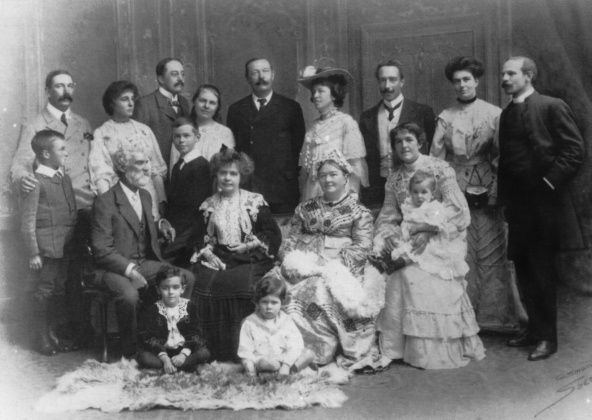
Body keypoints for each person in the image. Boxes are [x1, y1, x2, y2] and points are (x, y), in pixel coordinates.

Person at [374, 123, 485, 370]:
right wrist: (390, 233)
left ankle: (431, 350)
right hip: (412, 237)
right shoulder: (394, 178)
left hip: (443, 238)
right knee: (399, 274)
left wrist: (428, 229)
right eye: (398, 141)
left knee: (415, 274)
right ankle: (397, 349)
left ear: (421, 142)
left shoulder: (440, 169)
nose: (404, 145)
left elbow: (459, 210)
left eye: (409, 140)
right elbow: (388, 213)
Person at [498, 57, 585, 361]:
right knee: (523, 269)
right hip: (519, 207)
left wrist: (548, 183)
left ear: (529, 75)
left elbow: (574, 152)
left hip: (545, 204)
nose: (505, 79)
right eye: (503, 74)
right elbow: (507, 164)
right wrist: (506, 201)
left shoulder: (552, 106)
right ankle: (533, 330)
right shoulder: (507, 114)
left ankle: (548, 338)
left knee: (543, 271)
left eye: (511, 73)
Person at [430, 56, 519, 331]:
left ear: (476, 81)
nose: (462, 85)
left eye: (466, 79)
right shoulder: (445, 116)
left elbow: (503, 155)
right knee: (460, 250)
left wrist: (495, 190)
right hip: (454, 186)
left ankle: (495, 318)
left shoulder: (495, 113)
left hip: (488, 184)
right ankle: (460, 317)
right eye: (456, 81)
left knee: (492, 250)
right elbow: (436, 157)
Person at [277, 150, 384, 371]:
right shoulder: (305, 208)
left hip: (338, 268)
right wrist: (289, 261)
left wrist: (328, 266)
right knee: (274, 286)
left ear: (346, 177)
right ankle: (283, 350)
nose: (327, 179)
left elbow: (362, 247)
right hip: (301, 263)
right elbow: (291, 240)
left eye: (333, 174)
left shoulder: (359, 212)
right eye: (323, 175)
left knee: (315, 289)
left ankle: (318, 351)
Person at [11, 69, 94, 349]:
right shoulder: (35, 124)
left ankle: (71, 333)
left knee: (72, 277)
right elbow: (20, 164)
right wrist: (25, 180)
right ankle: (47, 334)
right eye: (59, 86)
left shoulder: (82, 123)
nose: (65, 91)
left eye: (70, 85)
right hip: (48, 212)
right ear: (48, 91)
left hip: (81, 209)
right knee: (50, 281)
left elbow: (94, 163)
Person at [90, 143, 194, 359]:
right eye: (140, 163)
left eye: (147, 161)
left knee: (186, 277)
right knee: (129, 295)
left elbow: (138, 227)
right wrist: (130, 271)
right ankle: (131, 352)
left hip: (144, 262)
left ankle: (172, 338)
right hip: (112, 268)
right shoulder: (105, 202)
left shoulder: (145, 195)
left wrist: (161, 226)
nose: (147, 167)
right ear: (123, 168)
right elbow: (101, 249)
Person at [190, 148, 281, 361]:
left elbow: (272, 233)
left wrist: (248, 246)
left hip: (250, 255)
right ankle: (211, 351)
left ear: (242, 176)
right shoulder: (208, 205)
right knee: (201, 284)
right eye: (223, 173)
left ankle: (243, 351)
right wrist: (207, 254)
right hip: (219, 257)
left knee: (242, 285)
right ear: (216, 176)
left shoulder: (255, 201)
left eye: (233, 174)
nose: (227, 178)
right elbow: (198, 236)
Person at [20, 130, 78, 355]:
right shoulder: (35, 182)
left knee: (58, 289)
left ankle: (54, 334)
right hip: (46, 248)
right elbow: (28, 220)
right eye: (61, 149)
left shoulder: (64, 178)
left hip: (64, 246)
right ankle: (41, 336)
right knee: (44, 290)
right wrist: (34, 252)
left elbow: (71, 211)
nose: (66, 152)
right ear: (45, 153)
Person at [227, 57, 306, 214]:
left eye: (265, 71)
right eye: (255, 73)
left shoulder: (291, 108)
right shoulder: (236, 110)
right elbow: (234, 150)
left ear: (273, 75)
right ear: (247, 78)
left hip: (282, 188)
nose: (261, 76)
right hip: (249, 187)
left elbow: (298, 147)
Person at [359, 59, 436, 206]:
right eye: (382, 80)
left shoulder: (423, 112)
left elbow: (433, 151)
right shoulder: (367, 117)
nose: (387, 86)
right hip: (377, 190)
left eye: (392, 80)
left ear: (402, 81)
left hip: (414, 186)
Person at [89, 80, 167, 220]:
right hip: (119, 198)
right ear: (112, 103)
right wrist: (109, 206)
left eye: (132, 99)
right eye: (125, 99)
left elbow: (157, 168)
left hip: (148, 195)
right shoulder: (101, 133)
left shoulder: (144, 130)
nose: (131, 103)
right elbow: (100, 174)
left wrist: (161, 199)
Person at [371, 170, 469, 280]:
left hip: (430, 240)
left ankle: (396, 264)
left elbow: (438, 225)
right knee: (396, 245)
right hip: (411, 237)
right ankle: (382, 260)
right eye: (415, 192)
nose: (419, 196)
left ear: (432, 194)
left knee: (414, 252)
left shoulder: (434, 208)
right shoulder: (410, 207)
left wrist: (419, 228)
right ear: (410, 192)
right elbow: (406, 223)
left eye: (424, 192)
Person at [296, 66, 369, 201]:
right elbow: (307, 168)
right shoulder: (313, 126)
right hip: (314, 191)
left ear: (334, 94)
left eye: (321, 91)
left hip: (338, 192)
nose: (315, 96)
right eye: (314, 92)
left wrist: (352, 194)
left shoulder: (346, 123)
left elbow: (355, 165)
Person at [137, 266, 210, 374]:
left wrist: (183, 355)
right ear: (158, 289)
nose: (171, 292)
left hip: (185, 351)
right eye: (165, 288)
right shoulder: (154, 310)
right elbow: (151, 338)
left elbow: (195, 334)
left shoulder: (190, 306)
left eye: (175, 287)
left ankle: (170, 368)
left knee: (204, 353)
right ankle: (180, 367)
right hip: (163, 352)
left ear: (183, 289)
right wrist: (165, 358)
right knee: (144, 357)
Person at [238, 277, 315, 376]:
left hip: (286, 359)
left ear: (282, 303)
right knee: (268, 363)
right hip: (264, 360)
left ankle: (288, 371)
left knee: (309, 354)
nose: (269, 306)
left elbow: (296, 344)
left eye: (274, 302)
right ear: (257, 302)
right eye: (264, 302)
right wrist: (249, 366)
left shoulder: (286, 320)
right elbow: (245, 349)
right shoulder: (250, 323)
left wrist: (286, 364)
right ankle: (276, 371)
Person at [162, 118, 212, 267]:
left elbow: (194, 207)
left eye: (186, 136)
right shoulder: (179, 165)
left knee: (163, 260)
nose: (181, 141)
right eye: (177, 136)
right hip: (176, 227)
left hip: (191, 230)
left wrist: (176, 233)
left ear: (197, 137)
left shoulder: (201, 166)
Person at [133, 58, 191, 166]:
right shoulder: (144, 104)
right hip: (157, 173)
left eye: (182, 74)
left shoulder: (184, 102)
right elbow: (137, 146)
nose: (180, 78)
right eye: (174, 74)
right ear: (161, 79)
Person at [169, 84, 235, 171]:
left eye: (212, 103)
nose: (206, 106)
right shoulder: (183, 129)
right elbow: (174, 165)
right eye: (202, 101)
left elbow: (229, 167)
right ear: (194, 101)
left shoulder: (225, 132)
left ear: (217, 107)